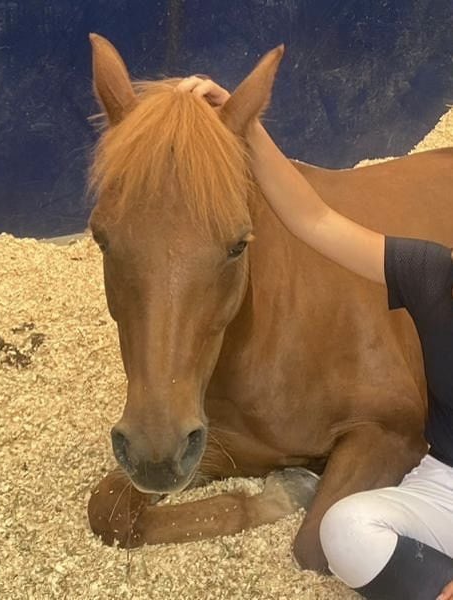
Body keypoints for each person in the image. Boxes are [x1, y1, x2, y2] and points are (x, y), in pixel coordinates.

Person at [177, 75, 453, 600]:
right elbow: (316, 219)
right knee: (344, 530)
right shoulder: (431, 272)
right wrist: (244, 125)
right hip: (445, 482)